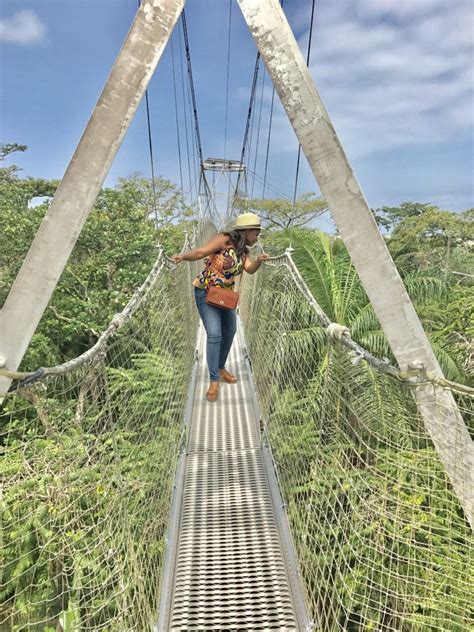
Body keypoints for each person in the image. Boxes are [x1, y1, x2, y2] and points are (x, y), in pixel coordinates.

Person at [171, 212, 269, 402]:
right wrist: (183, 256)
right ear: (248, 231)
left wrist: (258, 261)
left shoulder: (243, 250)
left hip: (225, 296)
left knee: (230, 331)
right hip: (206, 292)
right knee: (215, 334)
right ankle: (214, 380)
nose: (257, 238)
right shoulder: (223, 239)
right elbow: (201, 252)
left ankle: (221, 367)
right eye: (256, 234)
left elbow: (248, 269)